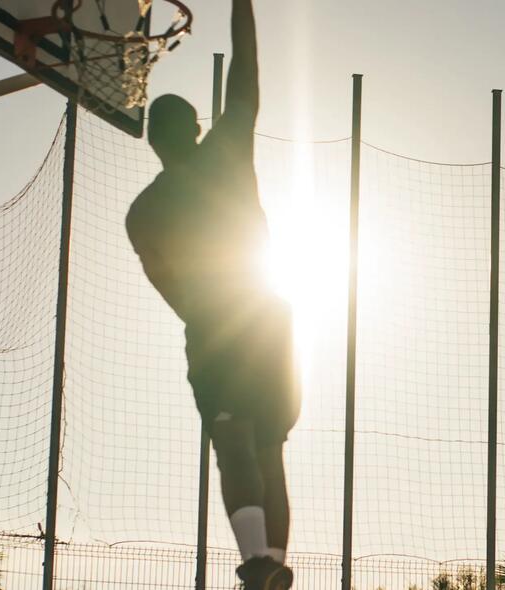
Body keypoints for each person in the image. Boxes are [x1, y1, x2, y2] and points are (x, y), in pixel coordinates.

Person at [124, 0, 296, 588]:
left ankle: (257, 564)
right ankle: (271, 567)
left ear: (153, 143)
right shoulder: (226, 151)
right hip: (269, 319)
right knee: (268, 448)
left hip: (218, 326)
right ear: (197, 127)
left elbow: (166, 285)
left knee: (233, 438)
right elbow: (246, 70)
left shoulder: (143, 211)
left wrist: (205, 315)